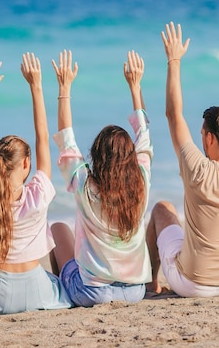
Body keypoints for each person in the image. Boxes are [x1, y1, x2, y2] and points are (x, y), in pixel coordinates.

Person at [145, 21, 219, 298]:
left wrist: (173, 60)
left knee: (162, 209)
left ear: (209, 138)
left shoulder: (197, 170)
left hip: (194, 284)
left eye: (201, 134)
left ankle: (151, 282)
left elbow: (173, 115)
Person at [0, 54, 72, 315]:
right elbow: (43, 135)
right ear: (26, 164)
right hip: (37, 291)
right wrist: (36, 86)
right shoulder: (39, 194)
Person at [49, 49, 153, 307]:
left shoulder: (85, 184)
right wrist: (135, 86)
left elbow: (67, 141)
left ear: (96, 155)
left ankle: (61, 295)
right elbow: (144, 136)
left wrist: (64, 88)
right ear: (130, 156)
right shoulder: (141, 180)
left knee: (57, 230)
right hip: (135, 290)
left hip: (93, 292)